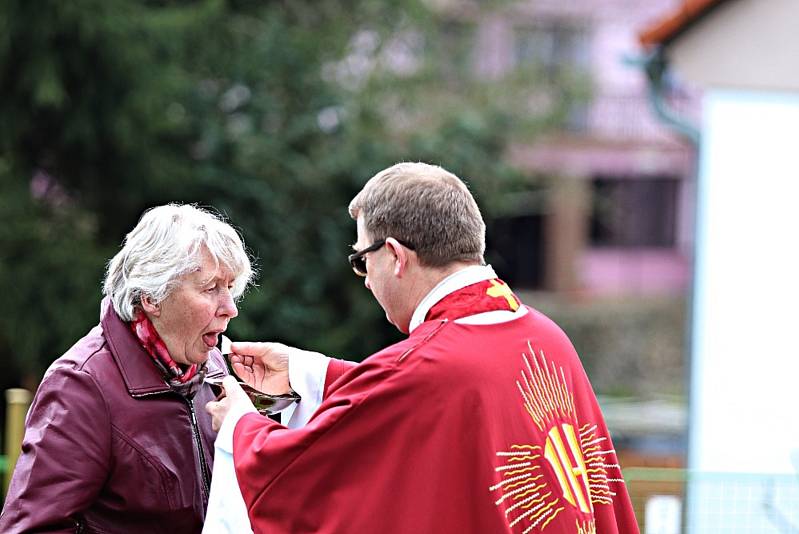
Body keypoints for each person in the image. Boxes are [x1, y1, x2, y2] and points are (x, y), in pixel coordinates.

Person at [207, 162, 640, 533]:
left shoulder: (429, 366)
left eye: (363, 261)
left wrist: (240, 426)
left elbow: (296, 479)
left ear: (394, 256)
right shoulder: (545, 337)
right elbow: (434, 404)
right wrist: (309, 374)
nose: (367, 279)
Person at [0, 203, 254, 533]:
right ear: (152, 296)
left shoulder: (213, 368)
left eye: (231, 287)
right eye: (211, 288)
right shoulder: (81, 385)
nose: (230, 308)